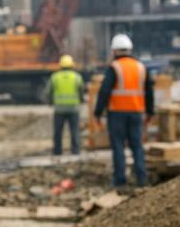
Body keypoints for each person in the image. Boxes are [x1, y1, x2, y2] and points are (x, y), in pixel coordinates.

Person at [94, 32, 153, 188]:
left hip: (117, 113)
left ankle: (120, 180)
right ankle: (141, 178)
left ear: (114, 51)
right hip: (136, 112)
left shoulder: (114, 67)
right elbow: (149, 91)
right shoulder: (141, 67)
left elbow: (104, 91)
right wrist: (150, 112)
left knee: (118, 146)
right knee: (137, 146)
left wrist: (98, 113)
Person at [44, 54, 86, 156]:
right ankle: (75, 151)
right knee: (74, 131)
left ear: (60, 65)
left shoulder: (55, 77)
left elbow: (48, 92)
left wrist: (50, 102)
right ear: (72, 65)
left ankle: (57, 151)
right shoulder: (77, 77)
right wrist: (80, 100)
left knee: (58, 132)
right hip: (74, 109)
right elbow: (81, 91)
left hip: (59, 109)